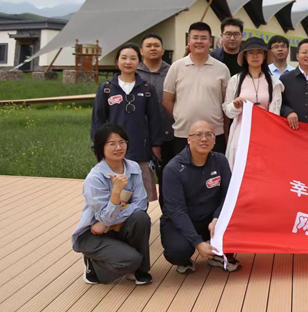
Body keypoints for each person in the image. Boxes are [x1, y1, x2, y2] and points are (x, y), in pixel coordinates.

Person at [73, 124, 152, 285]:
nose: (118, 147)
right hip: (93, 233)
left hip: (111, 226)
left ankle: (139, 271)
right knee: (131, 260)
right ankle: (94, 266)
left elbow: (141, 203)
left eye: (122, 142)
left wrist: (107, 223)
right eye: (112, 144)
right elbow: (105, 217)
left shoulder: (133, 167)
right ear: (101, 147)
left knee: (141, 218)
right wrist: (115, 192)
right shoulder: (95, 178)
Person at [160, 120, 240, 274]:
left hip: (210, 219)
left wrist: (217, 218)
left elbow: (228, 195)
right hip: (182, 220)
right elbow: (176, 210)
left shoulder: (220, 160)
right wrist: (197, 242)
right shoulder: (173, 169)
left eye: (209, 135)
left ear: (215, 140)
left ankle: (218, 255)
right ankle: (185, 260)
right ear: (189, 139)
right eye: (198, 135)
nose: (204, 139)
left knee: (239, 220)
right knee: (178, 250)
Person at [91, 43, 162, 202]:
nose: (128, 62)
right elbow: (98, 120)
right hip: (113, 150)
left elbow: (154, 119)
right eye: (124, 58)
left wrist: (156, 144)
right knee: (115, 195)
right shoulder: (107, 88)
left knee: (141, 196)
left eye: (133, 58)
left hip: (140, 149)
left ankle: (140, 217)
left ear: (139, 62)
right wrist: (97, 145)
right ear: (117, 61)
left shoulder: (146, 88)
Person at [162, 22, 231, 155]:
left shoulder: (222, 69)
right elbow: (167, 100)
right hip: (184, 133)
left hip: (214, 133)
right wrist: (180, 115)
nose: (199, 41)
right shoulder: (176, 67)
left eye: (203, 38)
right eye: (195, 38)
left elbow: (225, 102)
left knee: (214, 167)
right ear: (188, 41)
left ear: (210, 41)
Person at [223, 37, 284, 166]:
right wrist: (235, 105)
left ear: (264, 56)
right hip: (241, 132)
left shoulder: (274, 83)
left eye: (259, 52)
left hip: (265, 133)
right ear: (245, 56)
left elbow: (275, 113)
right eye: (250, 53)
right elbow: (227, 110)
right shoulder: (235, 81)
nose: (255, 56)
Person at [137, 33, 174, 204]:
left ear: (163, 50)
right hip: (139, 137)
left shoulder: (172, 71)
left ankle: (168, 214)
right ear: (141, 51)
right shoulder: (134, 73)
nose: (153, 48)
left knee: (168, 178)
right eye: (149, 45)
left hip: (168, 134)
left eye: (156, 45)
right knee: (139, 180)